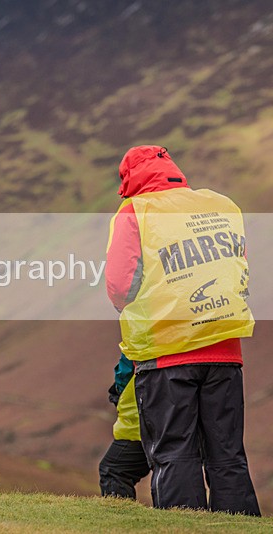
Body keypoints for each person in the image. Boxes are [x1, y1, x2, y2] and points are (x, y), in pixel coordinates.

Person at [105, 145, 260, 515]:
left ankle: (182, 525)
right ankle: (239, 524)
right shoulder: (222, 205)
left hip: (166, 356)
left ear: (129, 181)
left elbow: (119, 287)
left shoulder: (136, 212)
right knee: (227, 456)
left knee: (175, 453)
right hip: (225, 350)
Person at [98, 353, 150, 500]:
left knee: (114, 470)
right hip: (207, 414)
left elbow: (126, 367)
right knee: (216, 465)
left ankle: (120, 517)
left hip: (143, 420)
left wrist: (119, 391)